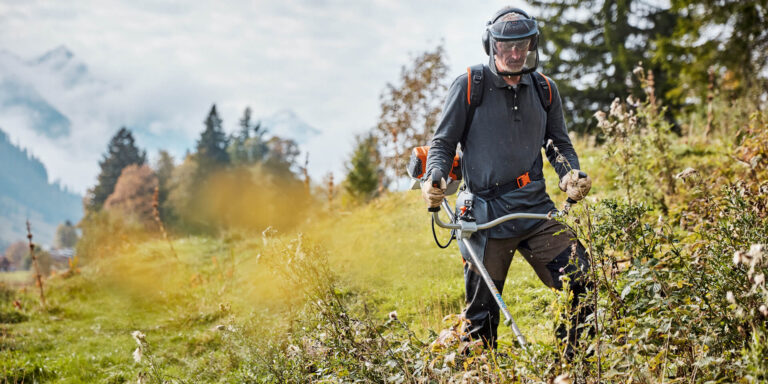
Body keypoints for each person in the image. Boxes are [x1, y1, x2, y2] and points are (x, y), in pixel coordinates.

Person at [421, 7, 593, 357]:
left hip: (535, 212)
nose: (515, 54)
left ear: (532, 44)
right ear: (492, 45)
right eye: (506, 46)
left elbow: (557, 143)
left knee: (582, 281)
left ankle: (575, 367)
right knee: (481, 321)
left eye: (522, 45)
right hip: (485, 217)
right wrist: (433, 177)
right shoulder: (469, 85)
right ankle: (481, 372)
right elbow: (442, 144)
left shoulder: (544, 89)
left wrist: (569, 173)